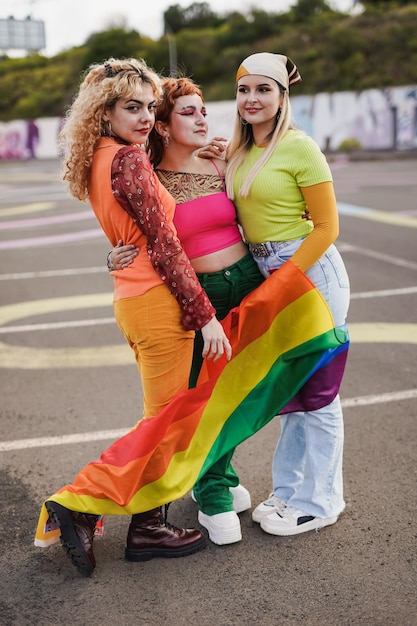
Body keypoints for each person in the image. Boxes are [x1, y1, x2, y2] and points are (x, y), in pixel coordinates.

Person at [45, 57, 232, 576]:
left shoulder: (102, 157)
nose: (147, 116)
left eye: (151, 107)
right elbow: (166, 242)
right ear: (105, 113)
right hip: (156, 301)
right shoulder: (128, 161)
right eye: (133, 107)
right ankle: (88, 506)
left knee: (162, 419)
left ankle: (138, 518)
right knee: (166, 424)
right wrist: (204, 316)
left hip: (131, 300)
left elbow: (128, 232)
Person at [108, 76, 265, 546]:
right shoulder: (146, 177)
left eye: (203, 110)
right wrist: (110, 257)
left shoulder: (219, 163)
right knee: (203, 398)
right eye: (188, 112)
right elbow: (133, 242)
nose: (202, 119)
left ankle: (217, 474)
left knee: (239, 391)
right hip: (200, 297)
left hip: (250, 285)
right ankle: (213, 490)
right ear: (160, 125)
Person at [223, 52, 351, 536]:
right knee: (289, 393)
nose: (251, 99)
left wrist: (283, 278)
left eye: (263, 90)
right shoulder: (238, 153)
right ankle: (290, 490)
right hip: (269, 271)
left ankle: (320, 502)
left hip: (311, 274)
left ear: (281, 97)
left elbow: (327, 227)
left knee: (317, 393)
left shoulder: (300, 148)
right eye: (243, 90)